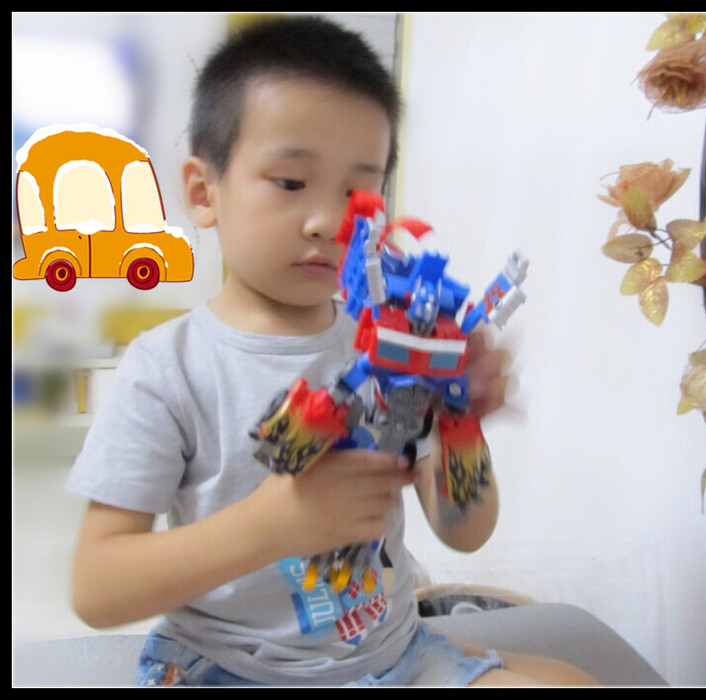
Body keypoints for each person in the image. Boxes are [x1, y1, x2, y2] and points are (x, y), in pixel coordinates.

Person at [66, 15, 596, 687]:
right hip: (233, 671)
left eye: (357, 193)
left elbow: (465, 532)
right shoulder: (167, 369)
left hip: (394, 657)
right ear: (204, 192)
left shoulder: (394, 342)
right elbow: (97, 588)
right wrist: (271, 525)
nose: (329, 221)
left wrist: (459, 421)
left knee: (571, 682)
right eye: (291, 183)